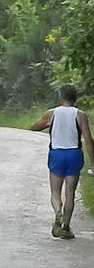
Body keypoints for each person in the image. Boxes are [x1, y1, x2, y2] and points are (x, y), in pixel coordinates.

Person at [30, 85, 94, 239]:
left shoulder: (52, 113)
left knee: (55, 192)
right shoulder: (80, 115)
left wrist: (45, 124)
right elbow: (88, 140)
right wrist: (93, 162)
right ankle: (66, 227)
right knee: (70, 194)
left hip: (57, 154)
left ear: (60, 97)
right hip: (74, 154)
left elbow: (34, 127)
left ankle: (58, 213)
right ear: (75, 98)